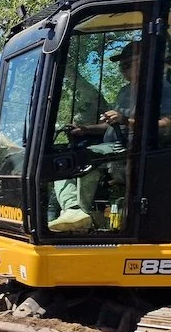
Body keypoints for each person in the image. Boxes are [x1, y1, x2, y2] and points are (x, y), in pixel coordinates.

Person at [50, 40, 171, 232]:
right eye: (121, 65)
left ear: (147, 62)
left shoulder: (162, 89)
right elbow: (112, 125)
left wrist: (125, 120)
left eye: (127, 64)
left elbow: (166, 125)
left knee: (87, 159)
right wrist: (85, 129)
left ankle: (81, 214)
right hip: (113, 147)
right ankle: (73, 210)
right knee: (62, 159)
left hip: (137, 150)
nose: (122, 69)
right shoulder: (125, 91)